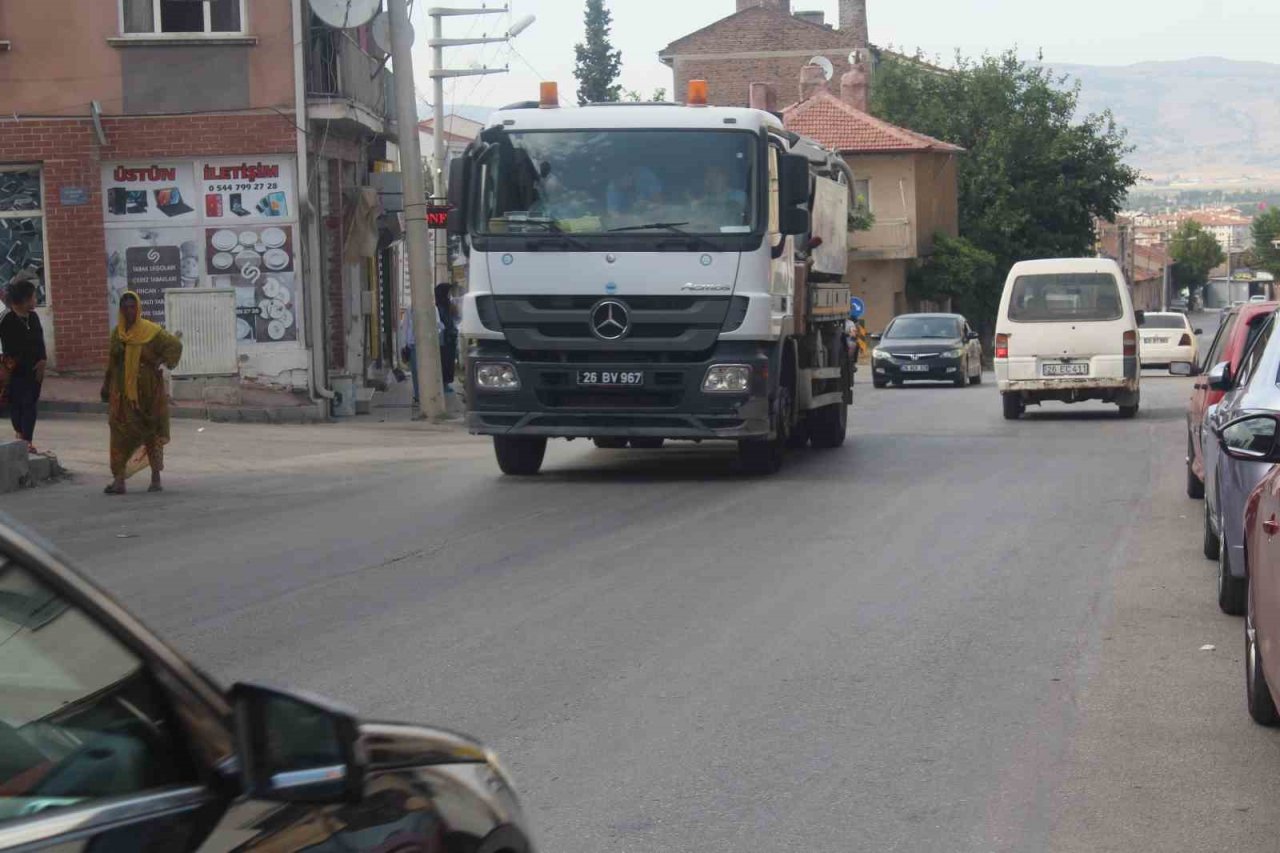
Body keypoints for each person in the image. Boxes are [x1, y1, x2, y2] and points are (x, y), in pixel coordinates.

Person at [100, 291, 183, 495]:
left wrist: (159, 361)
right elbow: (112, 362)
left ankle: (156, 477)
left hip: (147, 390)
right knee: (118, 431)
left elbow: (174, 345)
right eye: (125, 307)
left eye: (132, 307)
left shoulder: (151, 331)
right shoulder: (117, 333)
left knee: (150, 431)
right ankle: (119, 480)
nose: (129, 311)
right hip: (122, 391)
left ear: (138, 308)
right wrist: (106, 384)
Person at [0, 275, 47, 453]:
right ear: (23, 300)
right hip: (15, 371)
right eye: (33, 297)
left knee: (30, 404)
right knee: (17, 404)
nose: (35, 300)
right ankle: (22, 436)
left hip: (35, 372)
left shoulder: (33, 317)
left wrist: (43, 360)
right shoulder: (6, 319)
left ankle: (26, 439)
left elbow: (40, 340)